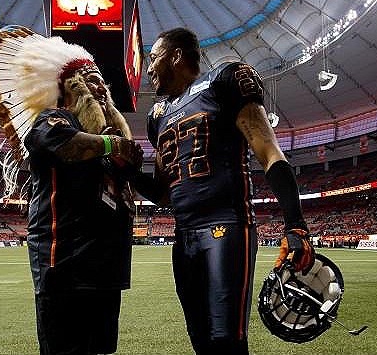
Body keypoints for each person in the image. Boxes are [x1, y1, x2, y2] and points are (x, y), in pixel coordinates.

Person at [0, 28, 143, 355]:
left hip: (104, 270)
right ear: (71, 86)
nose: (101, 88)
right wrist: (114, 143)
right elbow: (68, 146)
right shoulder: (53, 120)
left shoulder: (103, 138)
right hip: (66, 267)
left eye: (102, 81)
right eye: (90, 79)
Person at [135, 27, 315, 355]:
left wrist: (295, 224)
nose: (148, 68)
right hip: (184, 237)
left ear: (176, 57)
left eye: (154, 58)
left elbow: (269, 151)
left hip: (226, 226)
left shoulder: (223, 80)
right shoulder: (157, 117)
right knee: (200, 339)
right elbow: (162, 194)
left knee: (226, 340)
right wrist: (125, 171)